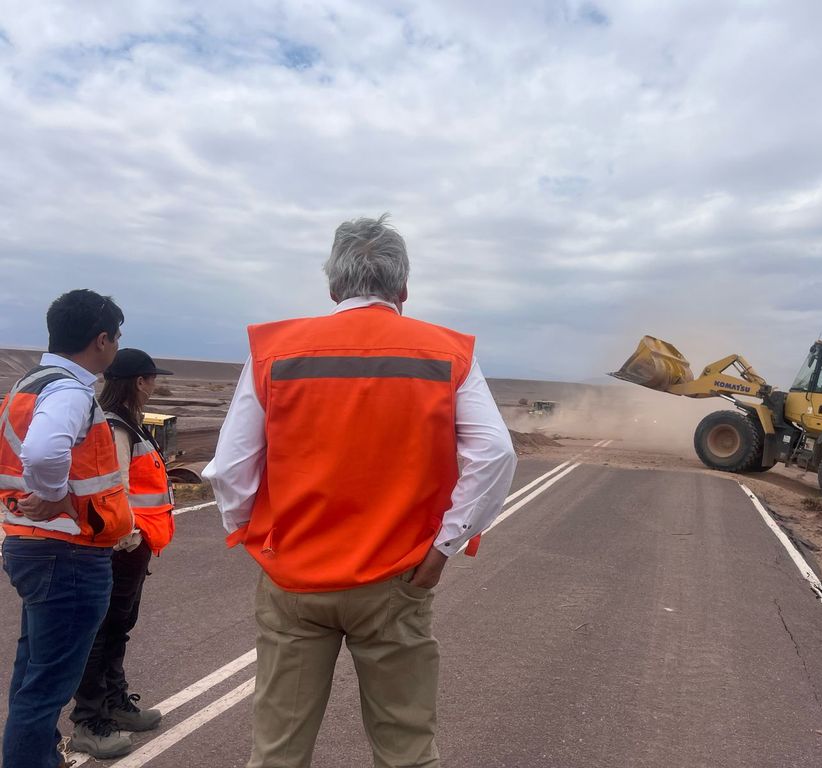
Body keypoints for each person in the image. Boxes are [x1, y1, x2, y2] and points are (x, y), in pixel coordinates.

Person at [204, 214, 517, 768]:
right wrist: (443, 548)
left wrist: (253, 535)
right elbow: (494, 454)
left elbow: (230, 467)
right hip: (397, 577)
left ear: (333, 286)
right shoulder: (448, 354)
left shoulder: (273, 350)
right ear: (403, 288)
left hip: (294, 576)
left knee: (276, 753)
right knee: (406, 751)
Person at [0, 289, 133, 768]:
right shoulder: (69, 391)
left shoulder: (28, 384)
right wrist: (55, 494)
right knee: (47, 686)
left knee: (33, 676)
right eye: (117, 337)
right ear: (101, 340)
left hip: (33, 545)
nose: (116, 346)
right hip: (69, 552)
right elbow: (43, 452)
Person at [69, 349, 175, 758]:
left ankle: (114, 702)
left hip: (135, 546)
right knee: (100, 631)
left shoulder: (130, 424)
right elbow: (115, 487)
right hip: (120, 545)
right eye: (152, 379)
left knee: (118, 626)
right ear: (139, 382)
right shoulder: (116, 427)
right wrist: (127, 535)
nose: (154, 386)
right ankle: (89, 717)